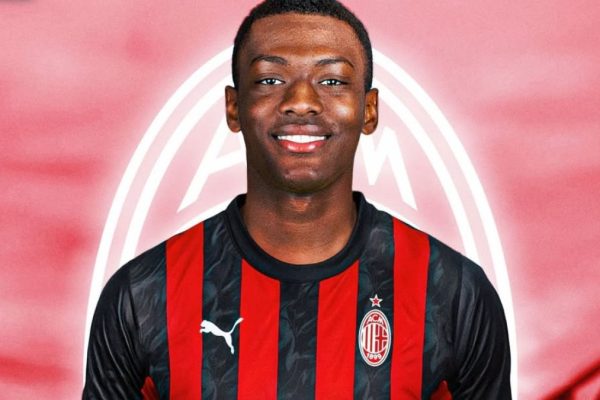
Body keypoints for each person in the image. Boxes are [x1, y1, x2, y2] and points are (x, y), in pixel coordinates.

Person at [83, 0, 511, 399]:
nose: (301, 102)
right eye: (271, 80)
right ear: (233, 107)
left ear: (369, 110)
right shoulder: (143, 295)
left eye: (332, 81)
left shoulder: (454, 292)